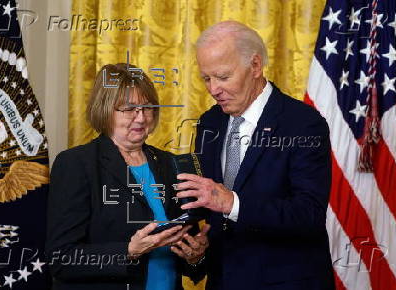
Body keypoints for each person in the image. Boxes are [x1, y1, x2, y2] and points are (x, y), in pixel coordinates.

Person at [176, 21, 335, 289]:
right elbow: (208, 208)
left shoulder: (303, 123)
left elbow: (309, 214)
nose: (213, 89)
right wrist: (197, 251)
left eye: (223, 77)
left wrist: (231, 203)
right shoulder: (209, 122)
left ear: (255, 66)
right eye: (206, 78)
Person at [46, 63, 209, 290]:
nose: (141, 118)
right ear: (104, 109)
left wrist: (195, 256)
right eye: (129, 108)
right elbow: (61, 259)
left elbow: (189, 261)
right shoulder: (77, 164)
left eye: (147, 108)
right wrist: (129, 251)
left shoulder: (169, 163)